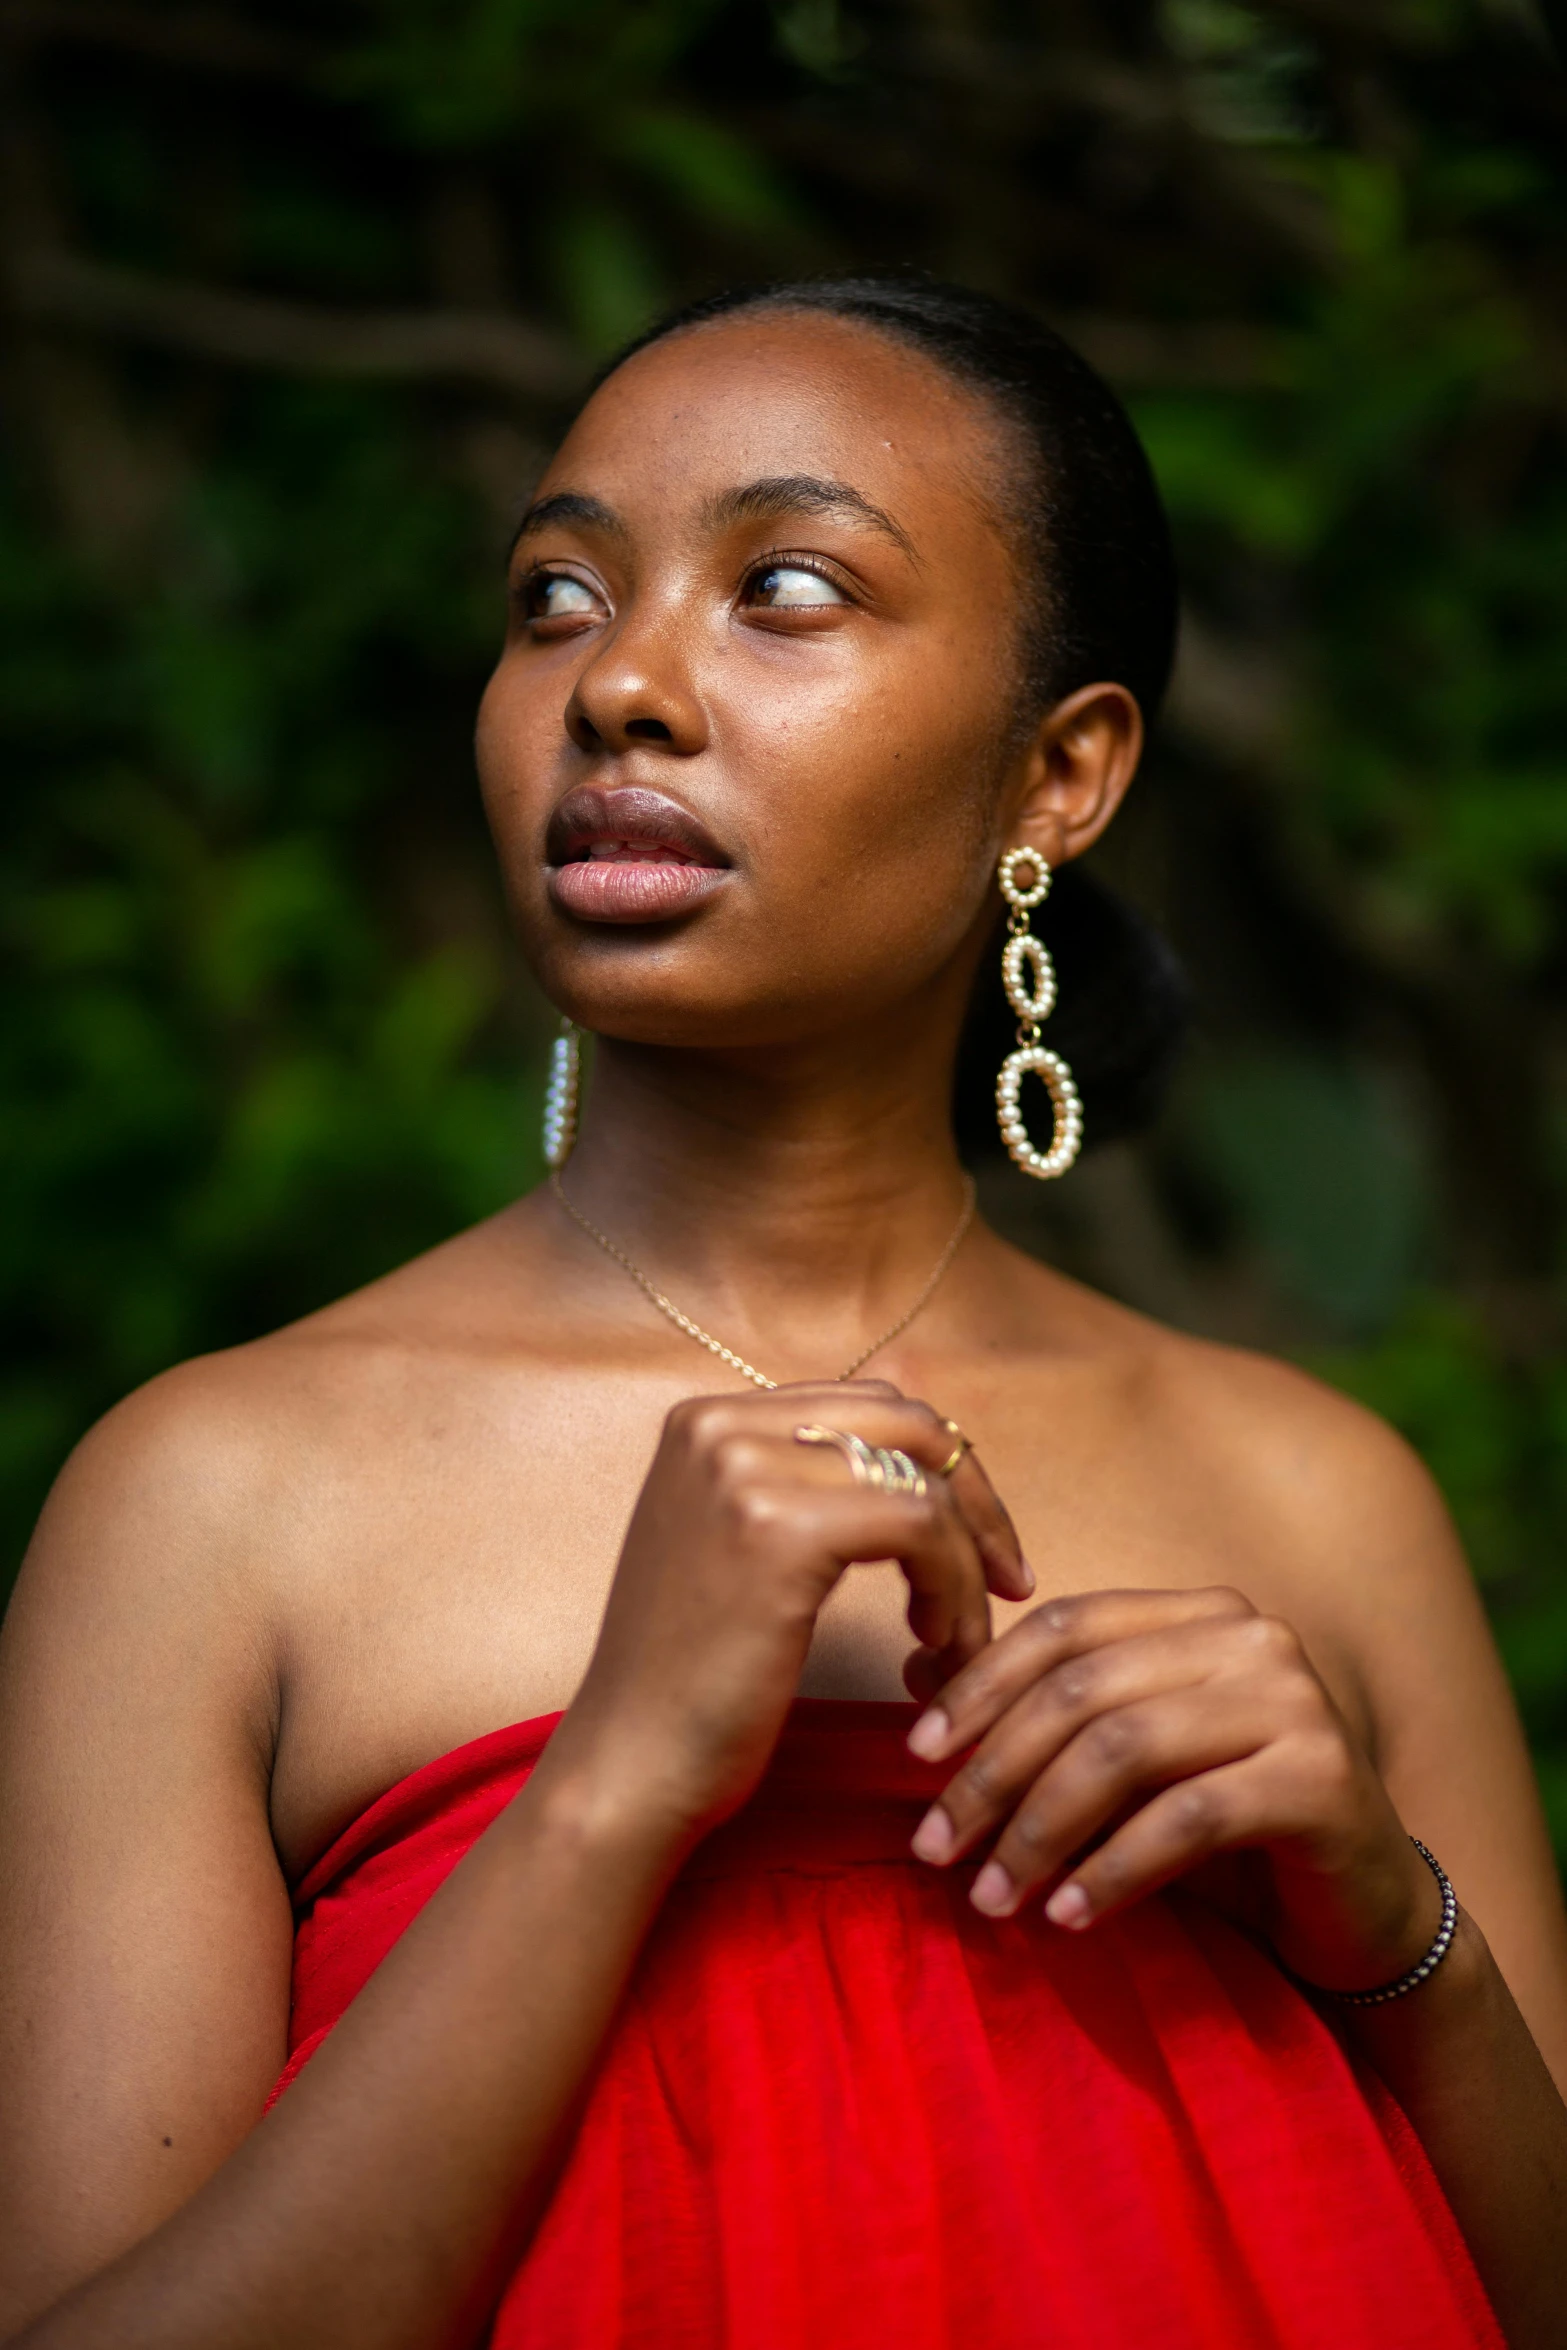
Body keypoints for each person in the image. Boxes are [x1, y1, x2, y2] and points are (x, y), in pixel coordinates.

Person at [1, 276, 1564, 2350]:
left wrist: (1401, 1933)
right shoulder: (210, 1496)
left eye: (789, 589)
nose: (621, 683)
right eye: (556, 595)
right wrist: (612, 1777)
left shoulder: (1315, 1486)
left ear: (1062, 775)